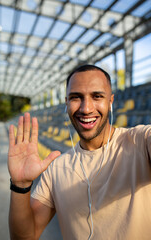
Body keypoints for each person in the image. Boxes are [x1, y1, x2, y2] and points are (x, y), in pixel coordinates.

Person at [8, 64, 151, 240]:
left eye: (97, 96)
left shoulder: (140, 142)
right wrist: (20, 185)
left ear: (110, 101)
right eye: (76, 97)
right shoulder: (55, 169)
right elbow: (25, 237)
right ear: (66, 103)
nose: (86, 108)